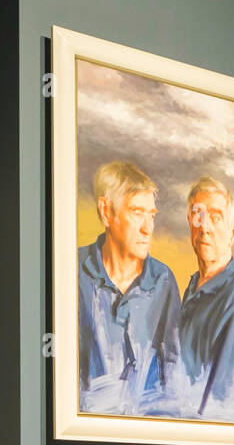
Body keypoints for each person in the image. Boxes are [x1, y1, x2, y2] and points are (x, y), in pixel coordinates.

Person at [77, 161, 181, 412]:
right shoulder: (73, 270)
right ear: (106, 211)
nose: (148, 228)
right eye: (136, 212)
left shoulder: (162, 279)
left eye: (151, 215)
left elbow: (172, 369)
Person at [178, 177, 234, 413]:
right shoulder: (194, 287)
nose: (205, 227)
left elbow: (223, 404)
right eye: (198, 215)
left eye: (215, 217)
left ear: (232, 233)